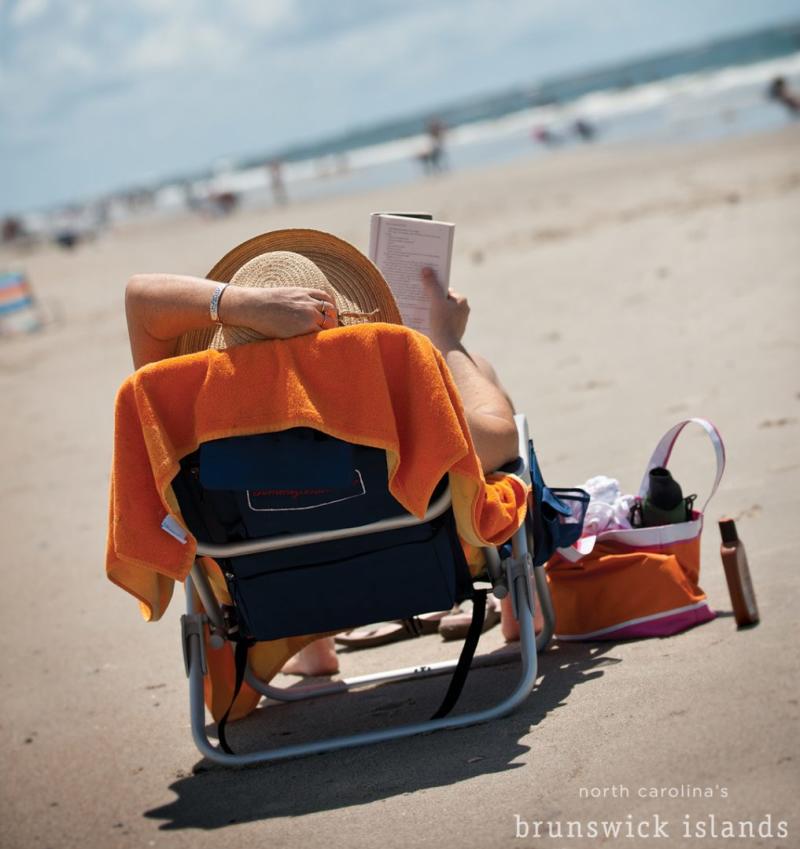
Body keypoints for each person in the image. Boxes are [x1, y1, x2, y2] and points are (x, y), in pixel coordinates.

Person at [125, 237, 527, 675]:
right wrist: (447, 339)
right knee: (478, 381)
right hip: (420, 568)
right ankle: (523, 613)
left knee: (260, 509)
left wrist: (242, 305)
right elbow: (503, 437)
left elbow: (139, 297)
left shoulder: (187, 402)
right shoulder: (388, 385)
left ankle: (310, 647)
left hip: (271, 596)